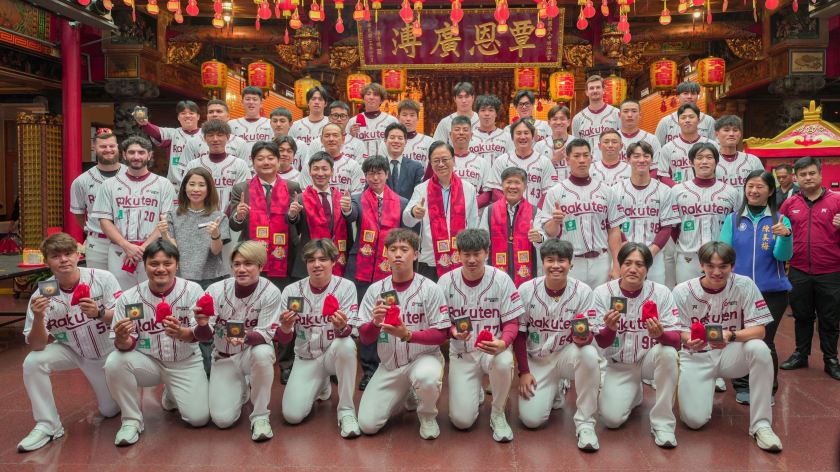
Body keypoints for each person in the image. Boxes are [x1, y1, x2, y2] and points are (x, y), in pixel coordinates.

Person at [673, 242, 782, 452]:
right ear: (701, 265)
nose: (717, 272)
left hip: (730, 352)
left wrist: (732, 335)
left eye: (723, 266)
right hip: (697, 355)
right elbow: (678, 330)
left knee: (760, 349)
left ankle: (761, 424)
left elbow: (760, 330)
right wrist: (689, 340)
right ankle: (699, 390)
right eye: (710, 266)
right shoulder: (682, 291)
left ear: (732, 266)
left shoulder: (745, 284)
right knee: (694, 421)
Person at [17, 233, 121, 452]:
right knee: (33, 361)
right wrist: (39, 318)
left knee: (110, 410)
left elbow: (124, 316)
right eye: (56, 256)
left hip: (107, 354)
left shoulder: (102, 278)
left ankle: (120, 390)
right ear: (47, 261)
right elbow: (37, 345)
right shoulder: (41, 294)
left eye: (68, 253)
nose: (63, 259)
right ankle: (48, 425)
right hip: (72, 349)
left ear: (78, 255)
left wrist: (99, 313)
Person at [105, 239, 209, 447]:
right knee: (115, 361)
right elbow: (125, 345)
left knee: (198, 419)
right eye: (154, 263)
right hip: (149, 362)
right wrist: (122, 339)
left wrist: (182, 332)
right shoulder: (128, 298)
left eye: (167, 263)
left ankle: (171, 393)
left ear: (177, 265)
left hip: (185, 362)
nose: (161, 269)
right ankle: (131, 420)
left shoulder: (193, 290)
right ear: (145, 266)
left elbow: (203, 335)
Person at [352, 229, 450, 439]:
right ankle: (406, 391)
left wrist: (408, 335)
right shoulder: (375, 290)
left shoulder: (430, 288)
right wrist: (375, 323)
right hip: (389, 366)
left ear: (415, 254)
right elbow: (366, 338)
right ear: (386, 254)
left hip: (423, 359)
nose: (398, 254)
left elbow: (442, 334)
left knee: (427, 377)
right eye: (393, 249)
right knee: (367, 425)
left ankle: (427, 415)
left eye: (404, 249)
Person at [591, 243, 682, 448]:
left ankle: (663, 423)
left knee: (668, 353)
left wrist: (661, 335)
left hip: (650, 359)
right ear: (619, 265)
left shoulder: (661, 293)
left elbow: (677, 340)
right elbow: (602, 342)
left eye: (639, 265)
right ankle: (634, 392)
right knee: (612, 420)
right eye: (628, 263)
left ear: (647, 269)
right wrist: (610, 329)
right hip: (619, 365)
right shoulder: (602, 293)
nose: (633, 269)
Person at [515, 239, 601, 451]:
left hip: (565, 355)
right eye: (550, 260)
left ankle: (585, 422)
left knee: (589, 354)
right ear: (542, 263)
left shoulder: (583, 291)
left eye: (561, 260)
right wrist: (523, 371)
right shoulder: (526, 290)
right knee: (531, 421)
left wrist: (583, 337)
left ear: (571, 263)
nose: (555, 265)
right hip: (537, 360)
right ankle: (554, 389)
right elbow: (520, 334)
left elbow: (588, 335)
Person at [440, 229, 522, 442]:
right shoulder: (445, 281)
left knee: (504, 361)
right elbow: (442, 322)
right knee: (461, 421)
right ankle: (473, 389)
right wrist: (452, 332)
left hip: (492, 350)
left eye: (477, 253)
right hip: (462, 354)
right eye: (466, 254)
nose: (471, 259)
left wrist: (504, 343)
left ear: (487, 252)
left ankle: (498, 412)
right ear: (458, 254)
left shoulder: (501, 279)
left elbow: (512, 322)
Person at [192, 241, 280, 440]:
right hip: (223, 357)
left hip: (250, 353)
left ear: (260, 266)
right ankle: (242, 386)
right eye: (237, 264)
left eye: (248, 264)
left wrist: (244, 337)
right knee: (222, 420)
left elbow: (266, 334)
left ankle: (260, 415)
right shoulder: (216, 290)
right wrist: (203, 324)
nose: (241, 269)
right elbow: (203, 336)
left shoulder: (271, 292)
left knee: (263, 353)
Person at [719, 170, 792, 402]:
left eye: (760, 186)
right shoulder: (733, 219)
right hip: (738, 291)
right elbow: (723, 253)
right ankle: (742, 385)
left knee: (765, 341)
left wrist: (785, 236)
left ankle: (766, 389)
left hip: (772, 291)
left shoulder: (779, 219)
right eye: (750, 186)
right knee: (740, 338)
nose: (753, 191)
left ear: (770, 191)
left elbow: (783, 256)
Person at [277, 239, 361, 438]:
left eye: (323, 259)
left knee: (347, 345)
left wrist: (342, 327)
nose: (317, 264)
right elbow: (283, 338)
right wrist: (286, 327)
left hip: (333, 353)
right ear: (306, 263)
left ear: (333, 261)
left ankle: (346, 410)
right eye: (311, 260)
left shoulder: (346, 287)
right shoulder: (291, 291)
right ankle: (321, 383)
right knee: (292, 416)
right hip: (306, 357)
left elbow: (351, 331)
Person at [778, 156, 840, 380]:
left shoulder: (837, 200)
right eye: (802, 174)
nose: (808, 177)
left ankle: (831, 359)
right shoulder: (790, 204)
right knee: (802, 316)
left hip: (831, 271)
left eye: (812, 173)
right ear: (796, 178)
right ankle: (801, 355)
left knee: (829, 319)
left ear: (821, 175)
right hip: (799, 269)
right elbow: (781, 233)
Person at [537, 138, 626, 288]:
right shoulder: (555, 192)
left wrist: (617, 266)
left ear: (591, 158)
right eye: (577, 156)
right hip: (571, 261)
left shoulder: (606, 191)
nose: (582, 160)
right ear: (567, 159)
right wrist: (555, 222)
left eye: (586, 155)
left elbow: (614, 231)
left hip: (601, 261)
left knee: (601, 302)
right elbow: (550, 232)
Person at [92, 136, 176, 289]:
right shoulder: (108, 185)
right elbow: (104, 221)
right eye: (131, 152)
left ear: (149, 155)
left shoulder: (164, 184)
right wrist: (126, 246)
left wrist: (143, 248)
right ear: (124, 155)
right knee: (120, 293)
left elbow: (166, 221)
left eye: (141, 152)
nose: (136, 156)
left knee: (152, 292)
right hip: (119, 250)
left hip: (153, 249)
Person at [228, 141, 302, 284]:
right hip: (250, 254)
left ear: (278, 161)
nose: (266, 162)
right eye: (260, 159)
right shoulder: (241, 189)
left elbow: (298, 223)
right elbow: (234, 226)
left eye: (270, 158)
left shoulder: (292, 187)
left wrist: (293, 216)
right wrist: (239, 216)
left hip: (287, 254)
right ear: (253, 162)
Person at [403, 142, 479, 281]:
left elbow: (474, 224)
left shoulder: (468, 189)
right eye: (436, 161)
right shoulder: (421, 189)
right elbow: (407, 220)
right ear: (430, 164)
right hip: (430, 260)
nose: (441, 164)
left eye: (445, 159)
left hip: (461, 259)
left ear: (454, 160)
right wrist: (414, 212)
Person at [672, 142, 740, 284]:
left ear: (716, 162)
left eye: (709, 157)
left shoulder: (731, 192)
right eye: (699, 157)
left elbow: (737, 227)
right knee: (687, 295)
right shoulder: (677, 191)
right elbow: (673, 228)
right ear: (691, 162)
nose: (704, 161)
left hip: (721, 259)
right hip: (688, 258)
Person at [613, 142, 680, 285]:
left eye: (646, 156)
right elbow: (614, 225)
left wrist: (650, 253)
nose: (642, 160)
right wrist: (628, 250)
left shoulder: (665, 191)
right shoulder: (615, 190)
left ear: (652, 159)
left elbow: (667, 227)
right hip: (624, 256)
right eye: (636, 156)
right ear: (628, 159)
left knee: (656, 295)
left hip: (654, 258)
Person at [159, 167, 229, 288]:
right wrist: (164, 234)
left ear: (209, 189)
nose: (196, 189)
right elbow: (173, 250)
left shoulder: (219, 217)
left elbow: (216, 250)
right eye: (191, 184)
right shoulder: (172, 216)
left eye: (201, 185)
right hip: (180, 278)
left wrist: (215, 235)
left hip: (212, 279)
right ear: (184, 187)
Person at [290, 152, 354, 278]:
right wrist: (292, 215)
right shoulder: (300, 199)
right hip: (308, 263)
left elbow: (349, 235)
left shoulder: (342, 199)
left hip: (337, 261)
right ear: (309, 171)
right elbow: (293, 227)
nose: (320, 173)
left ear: (332, 171)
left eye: (324, 169)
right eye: (316, 169)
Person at [70, 128, 124, 270]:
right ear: (94, 147)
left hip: (127, 239)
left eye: (111, 146)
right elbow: (78, 213)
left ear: (117, 147)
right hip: (98, 241)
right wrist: (91, 229)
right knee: (98, 280)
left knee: (125, 282)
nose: (108, 150)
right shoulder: (81, 181)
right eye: (103, 146)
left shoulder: (130, 175)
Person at [480, 167, 542, 286]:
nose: (512, 186)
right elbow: (483, 243)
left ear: (525, 186)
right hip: (495, 277)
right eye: (508, 182)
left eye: (517, 182)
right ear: (502, 185)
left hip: (527, 277)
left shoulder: (534, 212)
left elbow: (542, 242)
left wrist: (538, 238)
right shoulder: (490, 211)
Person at [182, 120, 251, 212]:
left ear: (228, 137)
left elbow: (242, 194)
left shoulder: (240, 164)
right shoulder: (193, 164)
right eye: (210, 135)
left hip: (232, 216)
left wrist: (227, 216)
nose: (215, 139)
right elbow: (186, 192)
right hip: (200, 216)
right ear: (204, 138)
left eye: (220, 135)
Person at [487, 118, 557, 208]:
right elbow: (496, 191)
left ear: (533, 136)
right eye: (518, 133)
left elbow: (548, 193)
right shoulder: (501, 161)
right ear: (512, 137)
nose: (523, 137)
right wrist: (512, 209)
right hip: (508, 213)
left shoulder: (545, 162)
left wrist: (534, 212)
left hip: (536, 214)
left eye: (526, 133)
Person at [179, 99, 251, 181]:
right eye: (211, 112)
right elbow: (185, 172)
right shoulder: (193, 142)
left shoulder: (240, 143)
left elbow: (246, 175)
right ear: (207, 116)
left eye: (219, 111)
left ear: (228, 116)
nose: (214, 114)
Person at [136, 100, 201, 186]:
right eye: (183, 113)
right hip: (176, 186)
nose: (187, 116)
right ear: (178, 117)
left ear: (198, 116)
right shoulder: (173, 133)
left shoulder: (206, 135)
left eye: (191, 113)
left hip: (201, 183)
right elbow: (156, 132)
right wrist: (145, 124)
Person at [654, 103, 714, 185]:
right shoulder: (667, 148)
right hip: (676, 190)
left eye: (691, 117)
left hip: (706, 190)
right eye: (683, 117)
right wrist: (678, 189)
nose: (687, 120)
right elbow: (663, 175)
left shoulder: (712, 145)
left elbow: (719, 171)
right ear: (678, 122)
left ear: (699, 120)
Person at [299, 123, 365, 196]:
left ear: (343, 139)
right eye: (327, 136)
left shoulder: (354, 166)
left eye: (335, 135)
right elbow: (306, 196)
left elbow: (356, 196)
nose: (331, 139)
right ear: (321, 140)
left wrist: (346, 203)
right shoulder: (309, 166)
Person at [346, 83, 398, 160]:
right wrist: (351, 135)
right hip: (360, 164)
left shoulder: (391, 121)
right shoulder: (353, 121)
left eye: (375, 94)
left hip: (384, 163)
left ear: (381, 100)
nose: (371, 97)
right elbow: (345, 146)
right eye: (368, 94)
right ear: (363, 98)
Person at [450, 115, 492, 208]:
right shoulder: (443, 161)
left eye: (465, 130)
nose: (461, 133)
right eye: (457, 129)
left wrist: (469, 207)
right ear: (450, 135)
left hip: (474, 212)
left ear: (471, 135)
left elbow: (487, 193)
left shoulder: (482, 162)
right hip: (448, 211)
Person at [308, 101, 366, 165]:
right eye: (335, 115)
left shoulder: (358, 144)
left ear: (348, 119)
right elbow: (308, 167)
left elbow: (361, 168)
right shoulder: (316, 143)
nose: (339, 119)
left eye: (343, 116)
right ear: (329, 118)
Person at [714, 115, 765, 189]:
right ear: (717, 134)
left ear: (740, 134)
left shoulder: (753, 161)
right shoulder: (710, 161)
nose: (731, 134)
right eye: (726, 130)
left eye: (735, 130)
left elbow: (762, 186)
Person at [571, 75, 620, 147]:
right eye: (591, 88)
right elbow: (576, 146)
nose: (595, 90)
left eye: (598, 87)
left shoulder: (617, 114)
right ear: (587, 92)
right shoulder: (577, 118)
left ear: (604, 90)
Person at [380, 122, 424, 200]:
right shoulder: (377, 166)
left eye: (400, 138)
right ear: (385, 140)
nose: (396, 141)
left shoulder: (416, 167)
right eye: (392, 138)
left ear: (405, 142)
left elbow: (419, 195)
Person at [227, 86, 274, 154]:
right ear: (242, 102)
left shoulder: (271, 123)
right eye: (248, 99)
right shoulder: (231, 124)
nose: (251, 102)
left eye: (255, 99)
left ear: (261, 103)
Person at [533, 105, 571, 181]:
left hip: (571, 187)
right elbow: (534, 173)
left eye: (562, 119)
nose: (558, 122)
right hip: (548, 187)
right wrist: (554, 160)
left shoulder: (577, 143)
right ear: (549, 123)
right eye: (555, 119)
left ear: (568, 122)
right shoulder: (539, 146)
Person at [469, 94, 508, 165]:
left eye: (491, 110)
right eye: (483, 110)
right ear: (478, 113)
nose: (487, 113)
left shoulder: (507, 137)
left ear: (496, 114)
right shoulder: (469, 137)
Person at [270, 107, 310, 172]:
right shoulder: (266, 145)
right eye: (275, 121)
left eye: (282, 121)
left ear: (290, 124)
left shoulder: (300, 145)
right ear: (270, 123)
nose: (278, 124)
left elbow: (306, 169)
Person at [398, 99, 435, 169]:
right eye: (404, 115)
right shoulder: (391, 142)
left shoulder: (429, 142)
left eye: (412, 115)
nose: (408, 119)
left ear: (418, 118)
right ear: (398, 117)